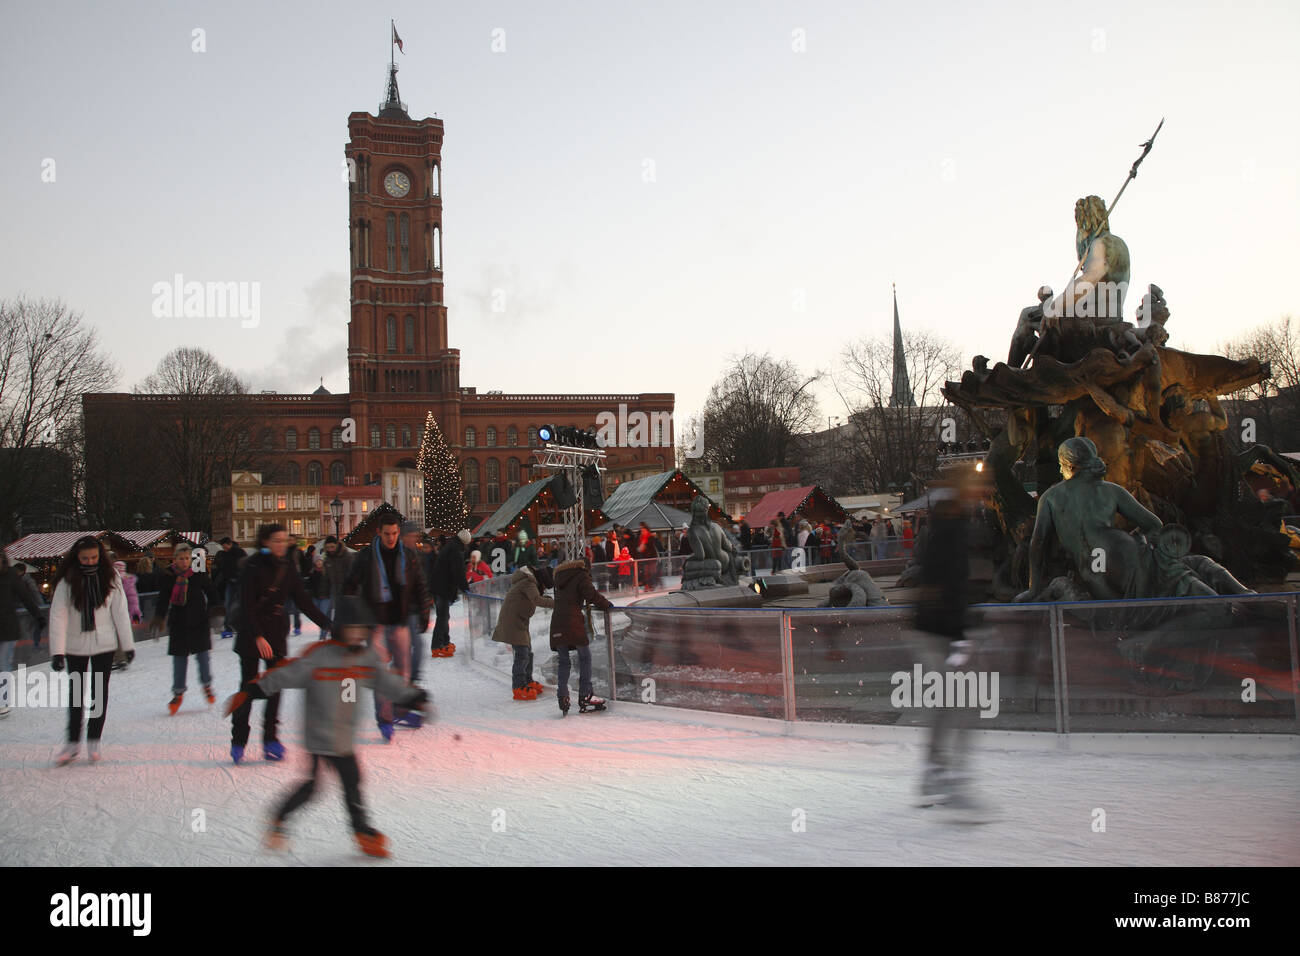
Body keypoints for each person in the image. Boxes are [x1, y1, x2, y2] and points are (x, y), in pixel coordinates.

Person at [225, 596, 429, 858]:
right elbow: (286, 673)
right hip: (320, 733)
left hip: (343, 735)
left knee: (343, 783)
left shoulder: (365, 659)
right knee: (325, 785)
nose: (356, 635)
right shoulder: (320, 657)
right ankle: (353, 829)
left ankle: (350, 829)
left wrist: (413, 696)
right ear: (341, 628)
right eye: (351, 629)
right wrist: (253, 689)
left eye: (361, 629)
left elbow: (385, 682)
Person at [912, 480, 990, 819]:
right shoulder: (949, 537)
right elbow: (947, 590)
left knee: (956, 704)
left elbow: (956, 589)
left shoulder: (951, 535)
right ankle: (946, 775)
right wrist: (959, 634)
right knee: (961, 703)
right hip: (939, 634)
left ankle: (938, 772)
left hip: (939, 632)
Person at [230, 523, 331, 765]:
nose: (282, 544)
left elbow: (303, 600)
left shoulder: (287, 567)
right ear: (265, 541)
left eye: (285, 540)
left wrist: (328, 624)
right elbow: (245, 605)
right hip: (251, 633)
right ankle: (239, 738)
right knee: (248, 686)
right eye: (277, 540)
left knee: (275, 687)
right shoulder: (252, 567)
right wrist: (257, 635)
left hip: (275, 632)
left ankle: (270, 738)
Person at [48, 536, 134, 764]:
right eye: (85, 558)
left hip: (104, 645)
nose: (89, 562)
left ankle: (94, 739)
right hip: (75, 646)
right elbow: (58, 616)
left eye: (94, 557)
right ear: (77, 557)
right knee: (76, 695)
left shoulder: (110, 577)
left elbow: (120, 612)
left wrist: (128, 645)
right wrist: (57, 651)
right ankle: (73, 743)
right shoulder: (67, 581)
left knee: (99, 694)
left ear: (100, 556)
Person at [342, 516, 429, 739]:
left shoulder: (408, 556)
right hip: (375, 624)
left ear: (398, 532)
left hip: (400, 621)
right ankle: (385, 718)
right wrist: (351, 620)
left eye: (394, 533)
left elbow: (419, 584)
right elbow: (349, 586)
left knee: (403, 671)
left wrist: (424, 612)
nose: (391, 538)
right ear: (379, 533)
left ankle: (400, 708)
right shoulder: (366, 556)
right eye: (387, 534)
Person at [152, 542, 220, 714]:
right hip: (179, 623)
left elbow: (211, 591)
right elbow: (162, 598)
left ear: (191, 559)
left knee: (203, 658)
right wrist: (159, 616)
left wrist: (217, 607)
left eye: (187, 558)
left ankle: (207, 685)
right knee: (179, 660)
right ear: (174, 559)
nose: (184, 562)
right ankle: (178, 693)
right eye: (181, 558)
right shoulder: (169, 576)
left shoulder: (198, 574)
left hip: (199, 621)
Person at [550, 557, 613, 715]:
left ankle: (563, 696)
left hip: (557, 623)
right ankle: (585, 695)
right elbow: (591, 595)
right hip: (572, 622)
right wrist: (607, 605)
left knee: (564, 662)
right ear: (586, 567)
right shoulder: (581, 575)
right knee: (585, 657)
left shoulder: (559, 577)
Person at [492, 564, 553, 700]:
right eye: (544, 587)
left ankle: (527, 680)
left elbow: (536, 597)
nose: (543, 589)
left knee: (527, 651)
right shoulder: (529, 583)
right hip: (513, 621)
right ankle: (519, 686)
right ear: (542, 581)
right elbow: (536, 600)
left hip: (519, 620)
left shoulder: (529, 582)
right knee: (522, 653)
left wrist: (549, 600)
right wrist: (557, 604)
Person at [1, 549, 46, 718]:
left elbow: (26, 597)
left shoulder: (11, 576)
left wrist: (38, 615)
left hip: (7, 627)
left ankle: (3, 700)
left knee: (3, 663)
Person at [427, 529, 472, 658]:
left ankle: (444, 642)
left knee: (444, 617)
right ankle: (437, 646)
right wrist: (465, 587)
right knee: (442, 618)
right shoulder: (455, 551)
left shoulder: (450, 546)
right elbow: (457, 571)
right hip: (442, 588)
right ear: (465, 543)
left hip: (439, 587)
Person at [399, 522, 429, 678]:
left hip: (413, 608)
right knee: (411, 645)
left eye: (416, 536)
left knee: (414, 644)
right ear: (403, 537)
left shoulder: (415, 555)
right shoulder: (399, 555)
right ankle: (407, 675)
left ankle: (410, 674)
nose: (415, 539)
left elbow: (420, 583)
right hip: (403, 609)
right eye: (412, 536)